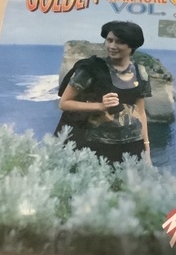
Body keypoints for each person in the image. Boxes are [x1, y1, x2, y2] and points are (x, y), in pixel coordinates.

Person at [56, 20, 152, 164]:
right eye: (109, 40)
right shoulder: (91, 69)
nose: (112, 46)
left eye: (119, 42)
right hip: (97, 145)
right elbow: (64, 103)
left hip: (132, 145)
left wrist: (146, 149)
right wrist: (100, 106)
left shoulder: (141, 72)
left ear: (132, 45)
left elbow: (140, 112)